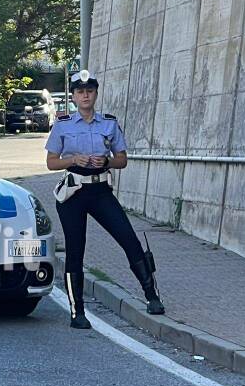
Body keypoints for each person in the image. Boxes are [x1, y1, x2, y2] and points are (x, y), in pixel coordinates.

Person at [46, 70, 165, 329]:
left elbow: (122, 159)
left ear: (96, 94)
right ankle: (77, 311)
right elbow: (51, 162)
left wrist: (108, 160)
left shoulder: (109, 123)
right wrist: (73, 160)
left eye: (89, 91)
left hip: (100, 190)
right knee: (75, 250)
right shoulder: (63, 124)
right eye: (80, 92)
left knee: (129, 239)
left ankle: (152, 296)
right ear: (74, 97)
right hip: (74, 193)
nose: (85, 95)